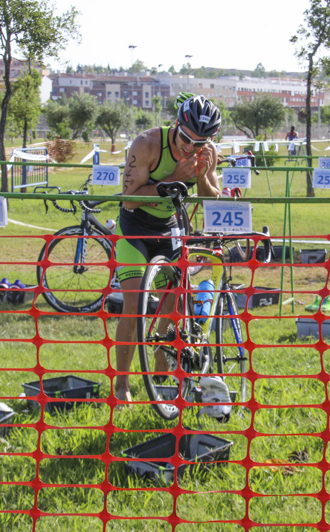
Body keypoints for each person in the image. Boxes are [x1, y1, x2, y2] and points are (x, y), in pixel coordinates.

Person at [113, 94, 223, 402]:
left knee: (176, 300)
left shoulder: (206, 151)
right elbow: (130, 198)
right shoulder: (146, 144)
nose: (191, 148)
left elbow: (210, 198)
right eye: (187, 139)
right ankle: (122, 386)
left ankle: (161, 355)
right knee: (135, 305)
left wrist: (201, 176)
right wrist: (174, 178)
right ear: (176, 125)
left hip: (170, 228)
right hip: (135, 228)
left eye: (200, 144)